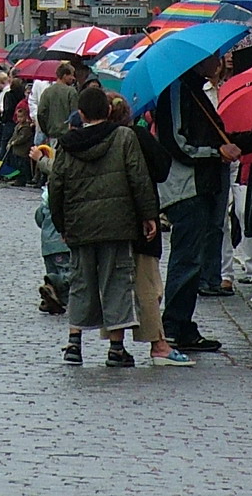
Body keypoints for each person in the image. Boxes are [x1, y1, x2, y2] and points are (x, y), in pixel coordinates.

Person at [154, 61, 252, 355]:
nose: (219, 64)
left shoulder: (192, 91)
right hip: (186, 189)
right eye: (215, 58)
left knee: (193, 260)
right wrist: (213, 153)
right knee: (187, 259)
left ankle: (182, 325)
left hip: (201, 186)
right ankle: (174, 326)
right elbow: (177, 143)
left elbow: (220, 142)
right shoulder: (177, 90)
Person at [48, 86, 158, 368]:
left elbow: (56, 185)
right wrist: (148, 215)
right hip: (117, 223)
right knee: (117, 281)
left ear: (81, 114)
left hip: (80, 224)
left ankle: (74, 343)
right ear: (108, 111)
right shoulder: (123, 137)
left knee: (80, 281)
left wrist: (61, 223)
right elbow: (139, 177)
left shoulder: (67, 144)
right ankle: (116, 348)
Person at [106, 91, 192, 367]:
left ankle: (116, 344)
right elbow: (159, 169)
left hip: (107, 225)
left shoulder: (97, 139)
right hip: (139, 220)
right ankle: (158, 344)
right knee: (148, 284)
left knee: (116, 284)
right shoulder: (136, 137)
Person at [35, 62, 78, 148]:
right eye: (71, 75)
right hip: (68, 135)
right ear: (65, 75)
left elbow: (40, 113)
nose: (73, 78)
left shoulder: (47, 92)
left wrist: (46, 130)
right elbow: (75, 114)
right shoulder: (71, 91)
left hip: (52, 135)